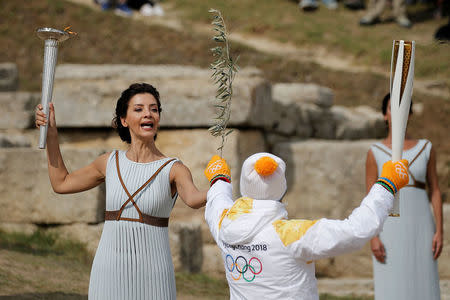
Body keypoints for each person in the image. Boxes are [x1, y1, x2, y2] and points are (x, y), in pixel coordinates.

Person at [35, 83, 207, 300]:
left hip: (153, 276)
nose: (148, 114)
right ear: (124, 120)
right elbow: (61, 183)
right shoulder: (109, 162)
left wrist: (219, 187)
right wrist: (51, 135)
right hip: (109, 272)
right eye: (139, 109)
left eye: (154, 109)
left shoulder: (173, 168)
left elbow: (193, 198)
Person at [203, 152, 409, 299]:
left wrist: (219, 178)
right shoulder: (291, 235)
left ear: (245, 188)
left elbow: (217, 200)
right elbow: (355, 231)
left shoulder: (224, 225)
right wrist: (386, 186)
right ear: (282, 190)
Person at [366, 93, 443, 300]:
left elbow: (435, 190)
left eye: (404, 108)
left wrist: (439, 231)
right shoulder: (375, 152)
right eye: (393, 108)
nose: (398, 113)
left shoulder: (426, 148)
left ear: (409, 114)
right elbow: (370, 198)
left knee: (424, 282)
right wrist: (374, 237)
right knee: (392, 285)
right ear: (385, 115)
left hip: (422, 228)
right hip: (389, 229)